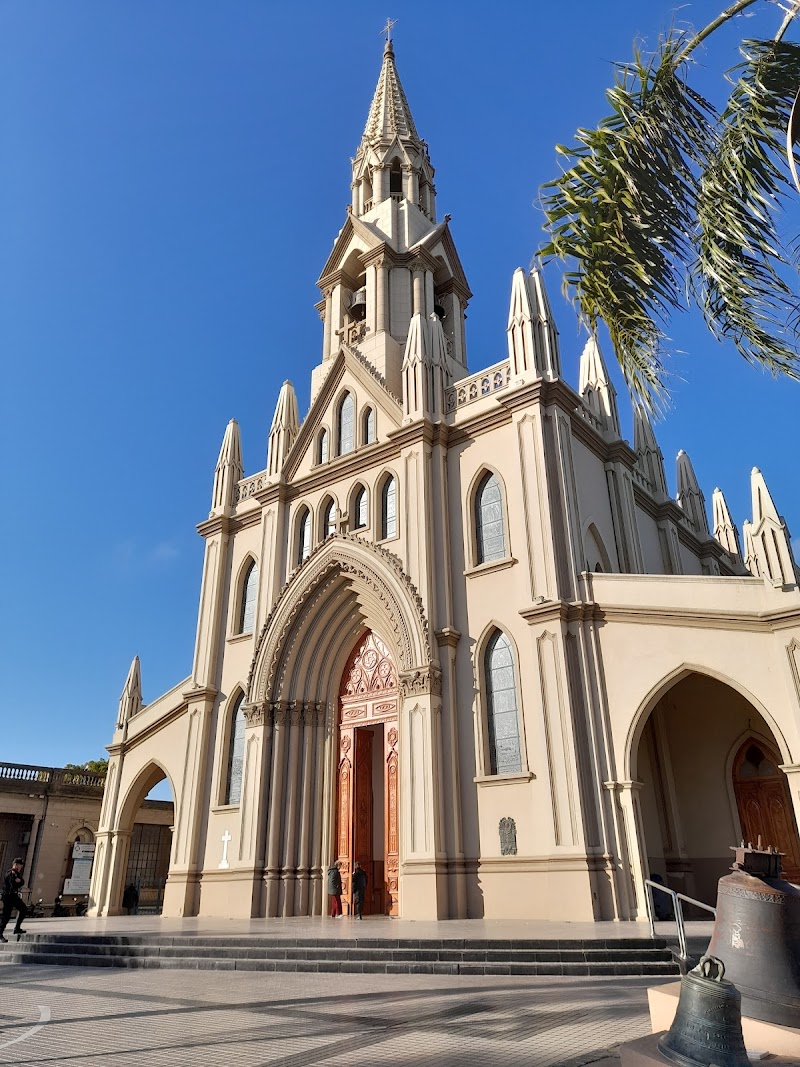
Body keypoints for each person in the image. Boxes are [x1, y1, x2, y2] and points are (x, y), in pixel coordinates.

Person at [0, 858, 29, 942]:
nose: (20, 867)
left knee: (23, 909)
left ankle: (17, 928)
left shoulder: (17, 873)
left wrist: (19, 881)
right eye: (20, 865)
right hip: (8, 896)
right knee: (6, 916)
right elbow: (12, 883)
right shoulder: (10, 873)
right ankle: (0, 933)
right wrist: (17, 881)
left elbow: (22, 882)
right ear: (16, 865)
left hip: (13, 896)